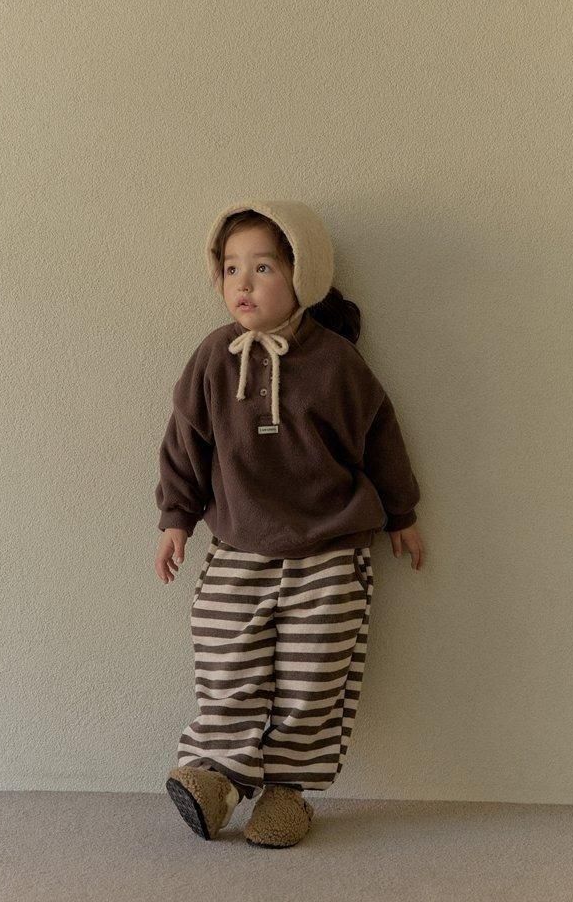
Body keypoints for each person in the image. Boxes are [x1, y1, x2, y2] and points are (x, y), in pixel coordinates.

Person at [154, 199, 425, 847]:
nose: (242, 284)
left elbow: (380, 440)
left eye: (263, 267)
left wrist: (402, 514)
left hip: (329, 552)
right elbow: (185, 443)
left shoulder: (336, 363)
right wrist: (175, 519)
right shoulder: (214, 358)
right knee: (226, 659)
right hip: (237, 547)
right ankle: (217, 777)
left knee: (314, 676)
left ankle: (287, 794)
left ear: (304, 274)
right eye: (230, 268)